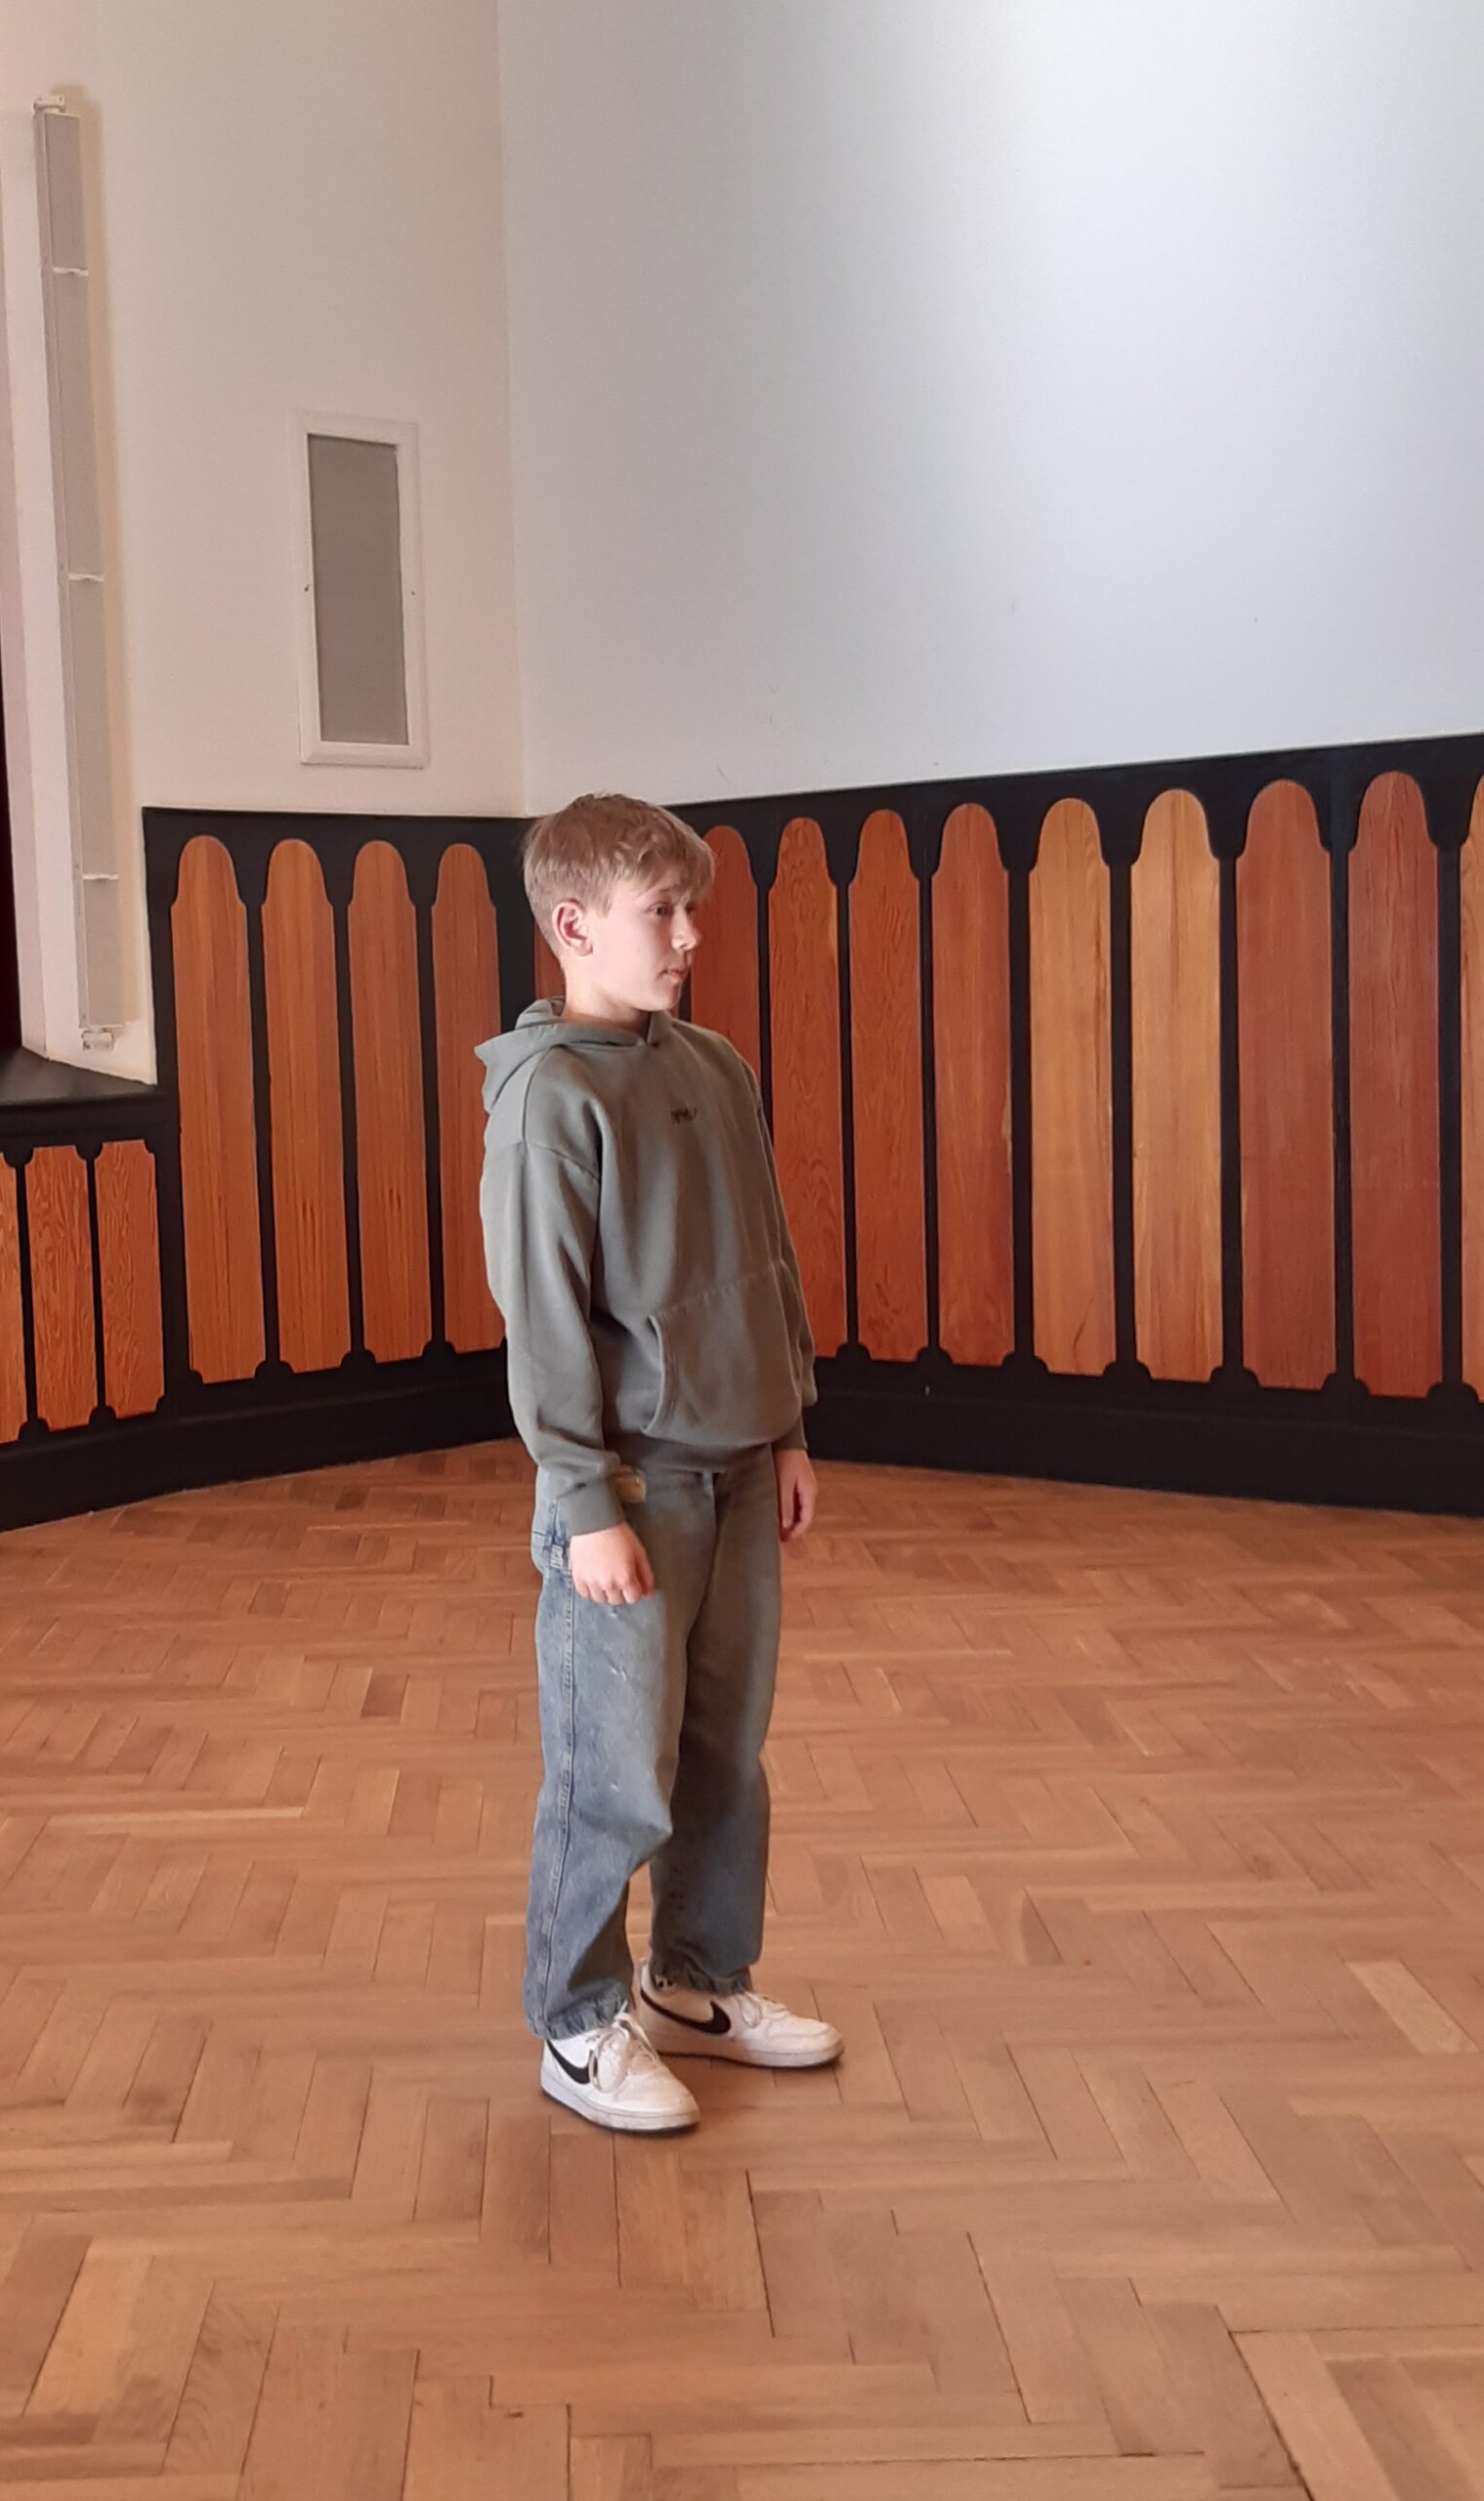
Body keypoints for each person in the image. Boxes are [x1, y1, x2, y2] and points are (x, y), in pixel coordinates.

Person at [478, 793, 844, 2134]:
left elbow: (767, 1255)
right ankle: (578, 2022)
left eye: (694, 909)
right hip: (629, 1495)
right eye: (663, 913)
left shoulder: (716, 1066)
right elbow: (544, 1323)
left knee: (722, 1756)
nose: (690, 936)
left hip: (740, 1472)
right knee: (612, 1773)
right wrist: (585, 1503)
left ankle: (697, 1981)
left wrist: (787, 1426)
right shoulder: (550, 1102)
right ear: (574, 926)